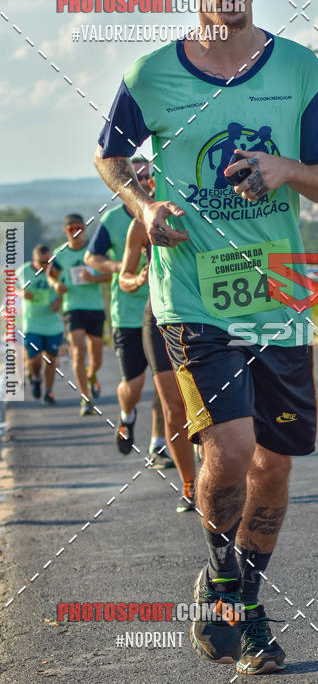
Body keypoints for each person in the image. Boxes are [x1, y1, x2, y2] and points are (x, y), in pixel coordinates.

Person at [93, 0, 318, 674]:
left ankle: (238, 592)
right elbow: (110, 155)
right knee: (232, 449)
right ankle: (230, 584)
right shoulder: (151, 75)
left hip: (280, 292)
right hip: (193, 294)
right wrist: (144, 204)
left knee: (275, 463)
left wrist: (287, 170)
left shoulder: (300, 68)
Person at [85, 159, 174, 465]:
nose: (146, 182)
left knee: (166, 385)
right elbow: (92, 257)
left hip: (165, 311)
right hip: (127, 312)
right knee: (134, 386)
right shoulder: (113, 220)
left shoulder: (168, 213)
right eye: (139, 178)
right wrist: (125, 271)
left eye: (149, 176)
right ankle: (127, 415)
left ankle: (158, 443)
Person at [119, 212, 196, 510]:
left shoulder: (212, 205)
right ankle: (189, 484)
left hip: (212, 311)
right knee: (174, 406)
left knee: (210, 402)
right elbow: (124, 276)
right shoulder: (142, 220)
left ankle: (219, 475)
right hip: (162, 313)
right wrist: (138, 278)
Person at [52, 214, 110, 416]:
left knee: (96, 357)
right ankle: (86, 399)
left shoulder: (94, 249)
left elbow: (111, 274)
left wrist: (93, 278)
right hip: (72, 307)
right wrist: (56, 284)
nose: (74, 232)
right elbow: (51, 275)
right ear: (65, 230)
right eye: (70, 229)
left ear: (83, 229)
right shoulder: (60, 253)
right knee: (78, 351)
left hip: (94, 307)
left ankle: (91, 375)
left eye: (78, 228)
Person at [16, 244, 63, 405]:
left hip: (53, 325)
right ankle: (35, 378)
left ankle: (49, 392)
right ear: (33, 260)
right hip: (33, 324)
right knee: (35, 359)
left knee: (51, 360)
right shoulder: (23, 271)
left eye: (48, 262)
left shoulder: (56, 271)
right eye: (41, 262)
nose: (45, 266)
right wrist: (21, 293)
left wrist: (59, 300)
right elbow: (11, 287)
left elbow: (64, 289)